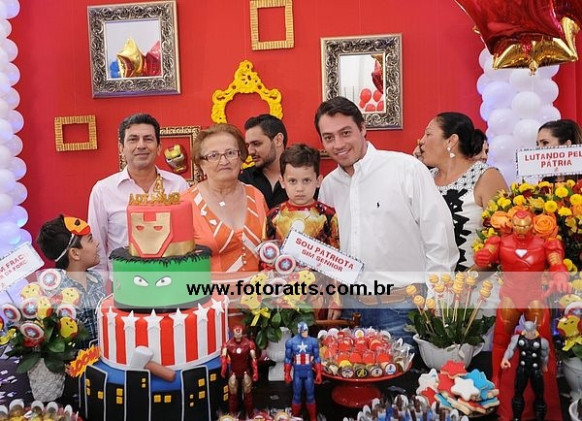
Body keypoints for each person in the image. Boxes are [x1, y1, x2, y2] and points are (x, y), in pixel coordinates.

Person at [314, 96, 459, 345]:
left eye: (345, 133)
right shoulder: (329, 186)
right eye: (329, 137)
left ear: (362, 128)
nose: (338, 144)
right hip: (347, 313)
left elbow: (440, 239)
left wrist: (436, 302)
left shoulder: (406, 169)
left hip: (403, 310)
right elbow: (329, 250)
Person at [475, 209, 571, 420]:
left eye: (525, 226)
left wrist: (559, 273)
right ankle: (496, 378)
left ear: (532, 225)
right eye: (517, 226)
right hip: (510, 296)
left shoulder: (544, 244)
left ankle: (547, 384)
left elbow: (556, 260)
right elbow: (487, 254)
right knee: (501, 338)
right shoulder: (500, 242)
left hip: (534, 297)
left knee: (544, 341)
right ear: (511, 224)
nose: (520, 230)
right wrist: (483, 256)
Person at [87, 113, 189, 278]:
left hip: (172, 281)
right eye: (133, 139)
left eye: (148, 139)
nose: (141, 145)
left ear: (159, 147)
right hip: (124, 284)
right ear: (121, 148)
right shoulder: (103, 190)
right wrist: (105, 288)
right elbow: (96, 251)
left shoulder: (179, 186)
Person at [181, 124, 267, 298]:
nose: (224, 161)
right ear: (201, 164)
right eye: (213, 155)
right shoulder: (185, 203)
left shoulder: (256, 195)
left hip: (259, 305)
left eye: (230, 153)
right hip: (208, 305)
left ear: (241, 158)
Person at [418, 112, 507, 271]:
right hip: (432, 281)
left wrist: (465, 280)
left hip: (477, 282)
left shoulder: (486, 176)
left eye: (428, 134)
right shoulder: (424, 179)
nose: (421, 141)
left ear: (451, 141)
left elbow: (505, 240)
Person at [265, 143, 341, 320]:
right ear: (282, 181)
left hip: (319, 297)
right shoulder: (273, 216)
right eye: (293, 181)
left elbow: (336, 262)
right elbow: (266, 261)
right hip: (282, 298)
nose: (299, 188)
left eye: (306, 180)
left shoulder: (328, 216)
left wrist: (336, 299)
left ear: (318, 180)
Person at [36, 215, 106, 349]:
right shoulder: (55, 295)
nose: (97, 243)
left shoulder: (96, 279)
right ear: (75, 253)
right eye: (90, 239)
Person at [501, 319, 549, 421]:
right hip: (522, 369)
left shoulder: (543, 342)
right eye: (527, 330)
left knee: (539, 395)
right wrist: (505, 358)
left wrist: (544, 365)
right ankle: (516, 417)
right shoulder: (517, 338)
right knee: (518, 393)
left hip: (535, 370)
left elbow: (545, 356)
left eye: (530, 330)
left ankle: (540, 417)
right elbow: (510, 349)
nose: (528, 332)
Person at [240, 114, 288, 208]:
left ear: (278, 140)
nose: (250, 151)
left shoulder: (303, 177)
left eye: (256, 144)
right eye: (248, 145)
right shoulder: (243, 180)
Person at [284, 321, 322, 421]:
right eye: (303, 330)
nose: (305, 332)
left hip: (308, 373)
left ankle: (313, 418)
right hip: (297, 373)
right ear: (299, 330)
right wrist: (287, 373)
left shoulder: (313, 342)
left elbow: (317, 358)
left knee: (310, 396)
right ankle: (295, 417)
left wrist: (319, 373)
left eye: (306, 330)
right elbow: (288, 359)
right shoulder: (291, 342)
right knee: (296, 396)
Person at [220, 324, 258, 418]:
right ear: (233, 332)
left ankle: (250, 414)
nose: (238, 333)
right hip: (234, 371)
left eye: (239, 331)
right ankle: (232, 415)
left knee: (248, 393)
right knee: (232, 393)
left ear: (242, 332)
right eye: (236, 331)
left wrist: (255, 372)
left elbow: (254, 359)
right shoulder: (228, 344)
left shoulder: (249, 344)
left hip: (245, 371)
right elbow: (223, 358)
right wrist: (223, 369)